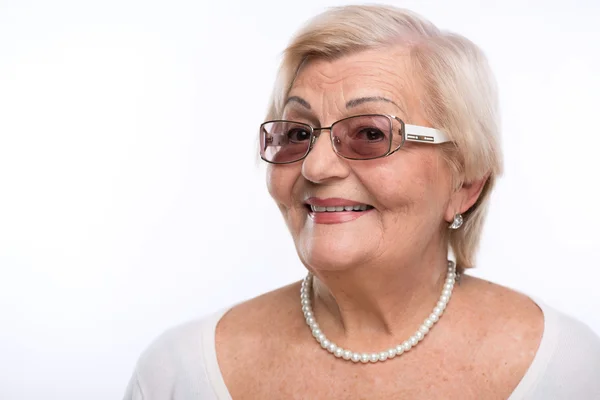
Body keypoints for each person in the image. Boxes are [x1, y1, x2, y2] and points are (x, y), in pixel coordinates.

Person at [124, 5, 600, 399]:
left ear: (465, 183)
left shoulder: (568, 371)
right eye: (296, 133)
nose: (315, 168)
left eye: (371, 133)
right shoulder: (178, 375)